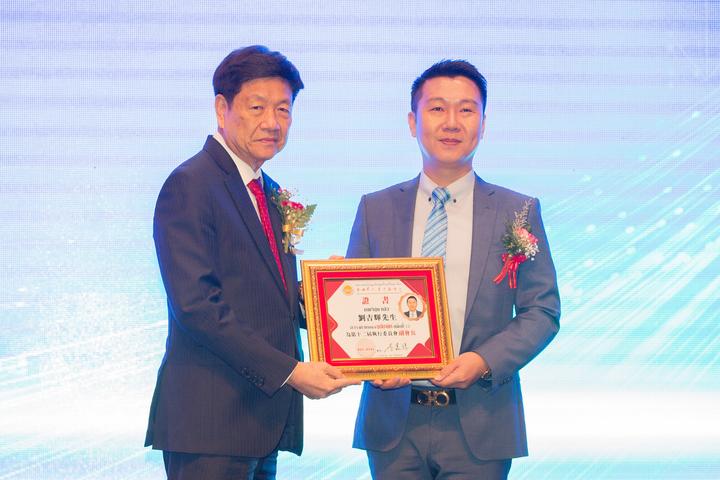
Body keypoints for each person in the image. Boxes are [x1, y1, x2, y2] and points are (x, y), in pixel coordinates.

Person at [145, 45, 357, 480]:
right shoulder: (191, 184)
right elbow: (197, 307)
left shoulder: (269, 192)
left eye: (283, 109)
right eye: (257, 107)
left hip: (260, 423)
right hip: (210, 425)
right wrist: (291, 372)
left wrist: (328, 296)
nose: (272, 122)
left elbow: (263, 298)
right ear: (221, 108)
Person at [347, 59, 561, 479]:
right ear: (413, 122)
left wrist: (483, 360)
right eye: (436, 109)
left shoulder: (517, 211)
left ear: (483, 123)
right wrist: (371, 362)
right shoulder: (376, 209)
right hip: (393, 425)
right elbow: (355, 310)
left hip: (481, 421)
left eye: (466, 110)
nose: (451, 122)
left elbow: (542, 311)